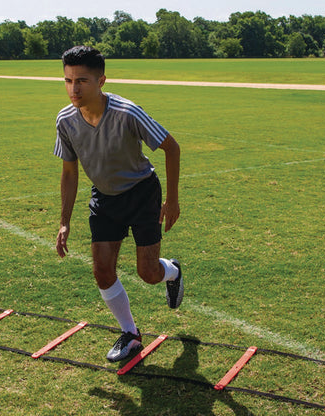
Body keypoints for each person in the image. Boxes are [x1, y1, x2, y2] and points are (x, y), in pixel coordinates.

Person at [54, 45, 184, 362]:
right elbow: (69, 172)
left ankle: (173, 272)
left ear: (101, 81)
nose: (74, 88)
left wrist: (173, 200)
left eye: (82, 80)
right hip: (104, 197)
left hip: (141, 194)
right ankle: (130, 333)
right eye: (69, 81)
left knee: (148, 273)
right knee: (101, 270)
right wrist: (64, 221)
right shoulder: (65, 120)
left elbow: (172, 148)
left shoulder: (128, 113)